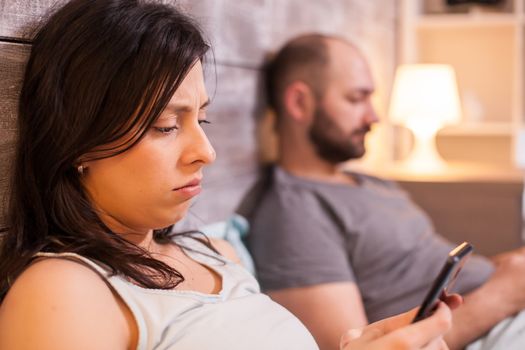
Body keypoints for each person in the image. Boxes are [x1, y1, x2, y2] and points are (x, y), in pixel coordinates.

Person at [0, 1, 458, 349]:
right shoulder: (63, 290)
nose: (206, 152)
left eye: (203, 119)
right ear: (79, 141)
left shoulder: (217, 255)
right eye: (165, 125)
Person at [241, 33, 525, 350]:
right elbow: (353, 345)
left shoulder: (372, 183)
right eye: (356, 99)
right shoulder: (294, 215)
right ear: (299, 102)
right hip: (494, 329)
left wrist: (510, 269)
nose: (373, 116)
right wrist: (503, 294)